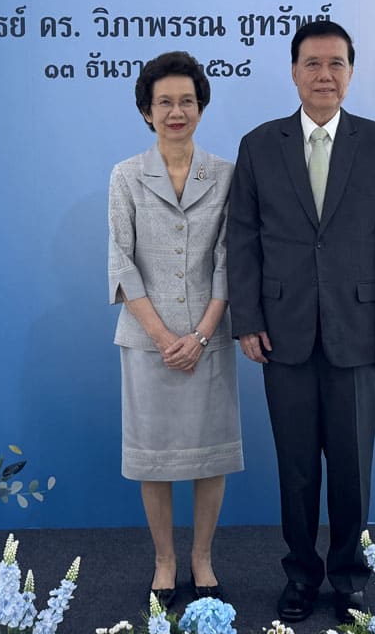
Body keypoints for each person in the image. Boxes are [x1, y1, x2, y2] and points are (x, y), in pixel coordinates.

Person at [227, 21, 375, 624]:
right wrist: (246, 319)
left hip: (359, 331)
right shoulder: (259, 145)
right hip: (281, 332)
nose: (324, 75)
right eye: (312, 63)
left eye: (336, 64)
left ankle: (350, 576)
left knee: (352, 469)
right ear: (293, 71)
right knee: (297, 468)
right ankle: (301, 575)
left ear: (351, 73)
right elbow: (242, 240)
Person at [108, 51, 242, 609]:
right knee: (155, 457)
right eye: (164, 102)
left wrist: (202, 334)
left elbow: (230, 260)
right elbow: (121, 263)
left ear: (201, 107)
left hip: (208, 338)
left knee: (209, 456)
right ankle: (165, 560)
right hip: (148, 343)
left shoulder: (227, 175)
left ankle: (201, 558)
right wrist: (165, 338)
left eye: (187, 100)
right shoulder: (126, 175)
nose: (176, 111)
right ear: (147, 111)